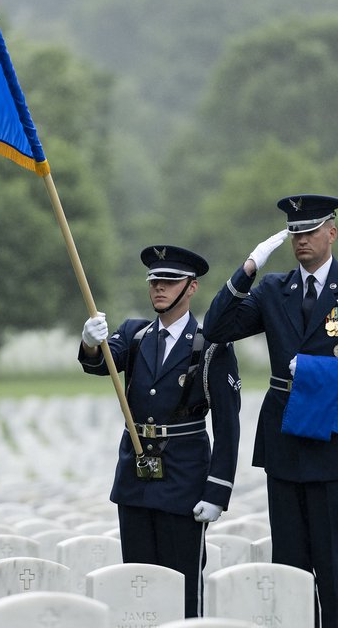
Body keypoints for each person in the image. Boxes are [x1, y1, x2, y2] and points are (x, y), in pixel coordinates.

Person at [202, 194, 338, 628]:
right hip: (287, 443)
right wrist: (246, 271)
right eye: (294, 233)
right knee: (290, 570)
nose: (301, 241)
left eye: (310, 231)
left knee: (334, 572)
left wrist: (324, 375)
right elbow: (216, 330)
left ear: (332, 232)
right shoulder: (274, 289)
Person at [79, 244, 241, 618]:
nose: (159, 289)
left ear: (192, 288)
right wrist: (90, 342)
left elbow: (228, 426)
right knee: (137, 586)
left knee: (182, 584)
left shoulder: (211, 345)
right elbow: (101, 363)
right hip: (137, 479)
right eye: (154, 281)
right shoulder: (135, 335)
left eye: (169, 281)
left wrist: (218, 491)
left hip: (184, 480)